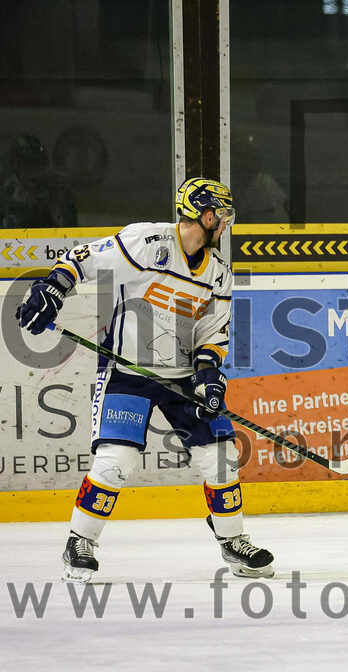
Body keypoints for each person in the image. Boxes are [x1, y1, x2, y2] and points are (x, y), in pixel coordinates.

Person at [16, 177, 274, 583]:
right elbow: (82, 258)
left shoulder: (219, 272)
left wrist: (209, 375)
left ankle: (233, 540)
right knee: (116, 460)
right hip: (127, 372)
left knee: (220, 456)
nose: (226, 224)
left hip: (182, 378)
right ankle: (80, 542)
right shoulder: (148, 242)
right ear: (206, 216)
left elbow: (212, 331)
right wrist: (53, 287)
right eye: (222, 216)